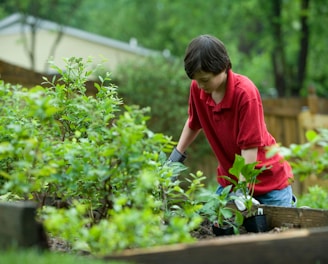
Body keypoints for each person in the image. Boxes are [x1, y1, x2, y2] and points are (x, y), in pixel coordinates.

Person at [168, 34, 296, 208]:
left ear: (222, 67)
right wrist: (174, 159)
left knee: (283, 230)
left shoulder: (245, 93)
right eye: (196, 80)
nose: (200, 85)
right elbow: (193, 122)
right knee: (216, 226)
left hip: (269, 184)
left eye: (205, 80)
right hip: (231, 183)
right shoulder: (198, 89)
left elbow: (249, 147)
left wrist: (242, 193)